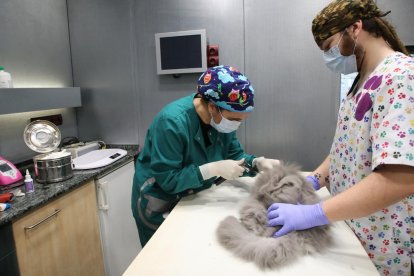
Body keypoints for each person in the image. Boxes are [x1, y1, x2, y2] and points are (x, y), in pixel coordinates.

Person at [266, 1, 414, 275]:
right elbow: (348, 148)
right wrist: (316, 178)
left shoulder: (401, 77)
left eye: (329, 47)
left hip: (382, 241)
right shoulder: (361, 83)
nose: (328, 57)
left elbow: (401, 177)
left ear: (355, 28)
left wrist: (313, 213)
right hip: (351, 228)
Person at [132, 65, 279, 247]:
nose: (236, 125)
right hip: (157, 202)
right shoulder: (172, 122)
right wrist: (212, 169)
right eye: (234, 120)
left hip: (191, 197)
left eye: (242, 120)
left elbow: (235, 156)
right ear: (212, 107)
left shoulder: (222, 122)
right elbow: (168, 179)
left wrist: (256, 163)